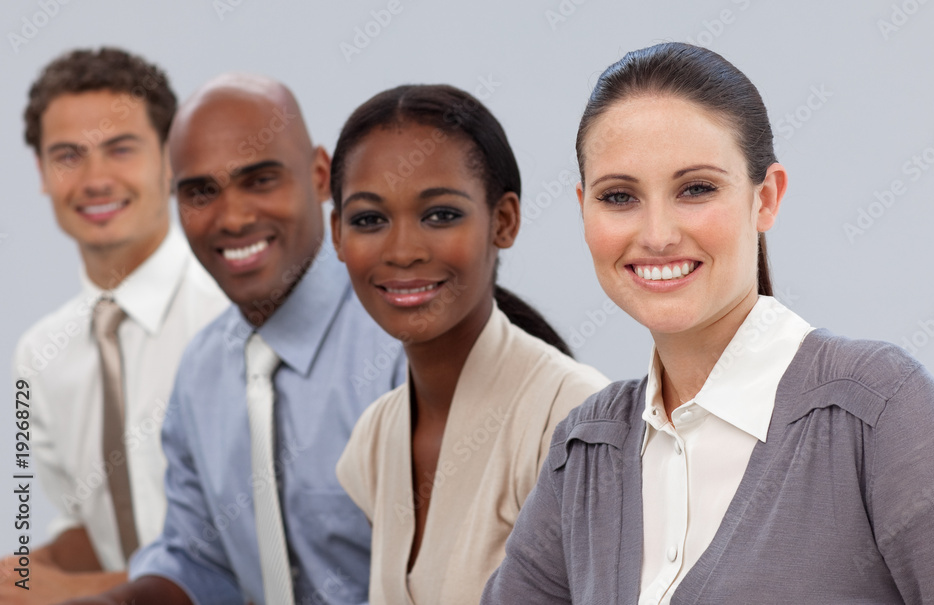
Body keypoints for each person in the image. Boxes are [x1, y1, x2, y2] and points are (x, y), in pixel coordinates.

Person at [482, 42, 934, 604]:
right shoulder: (586, 450)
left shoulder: (876, 413)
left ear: (766, 198)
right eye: (619, 196)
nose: (657, 235)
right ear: (584, 209)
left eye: (696, 189)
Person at [67, 74, 404, 605]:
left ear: (320, 177)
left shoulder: (401, 341)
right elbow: (198, 564)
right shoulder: (202, 370)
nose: (234, 217)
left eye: (261, 180)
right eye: (200, 192)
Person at [330, 84, 609, 605]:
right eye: (369, 220)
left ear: (503, 221)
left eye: (440, 215)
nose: (403, 251)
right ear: (337, 235)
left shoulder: (573, 421)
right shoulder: (374, 439)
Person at [4, 48, 229, 603]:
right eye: (68, 155)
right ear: (41, 173)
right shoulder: (40, 354)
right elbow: (91, 527)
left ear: (171, 159)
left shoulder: (229, 317)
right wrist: (24, 573)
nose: (95, 179)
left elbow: (256, 558)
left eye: (120, 149)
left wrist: (62, 593)